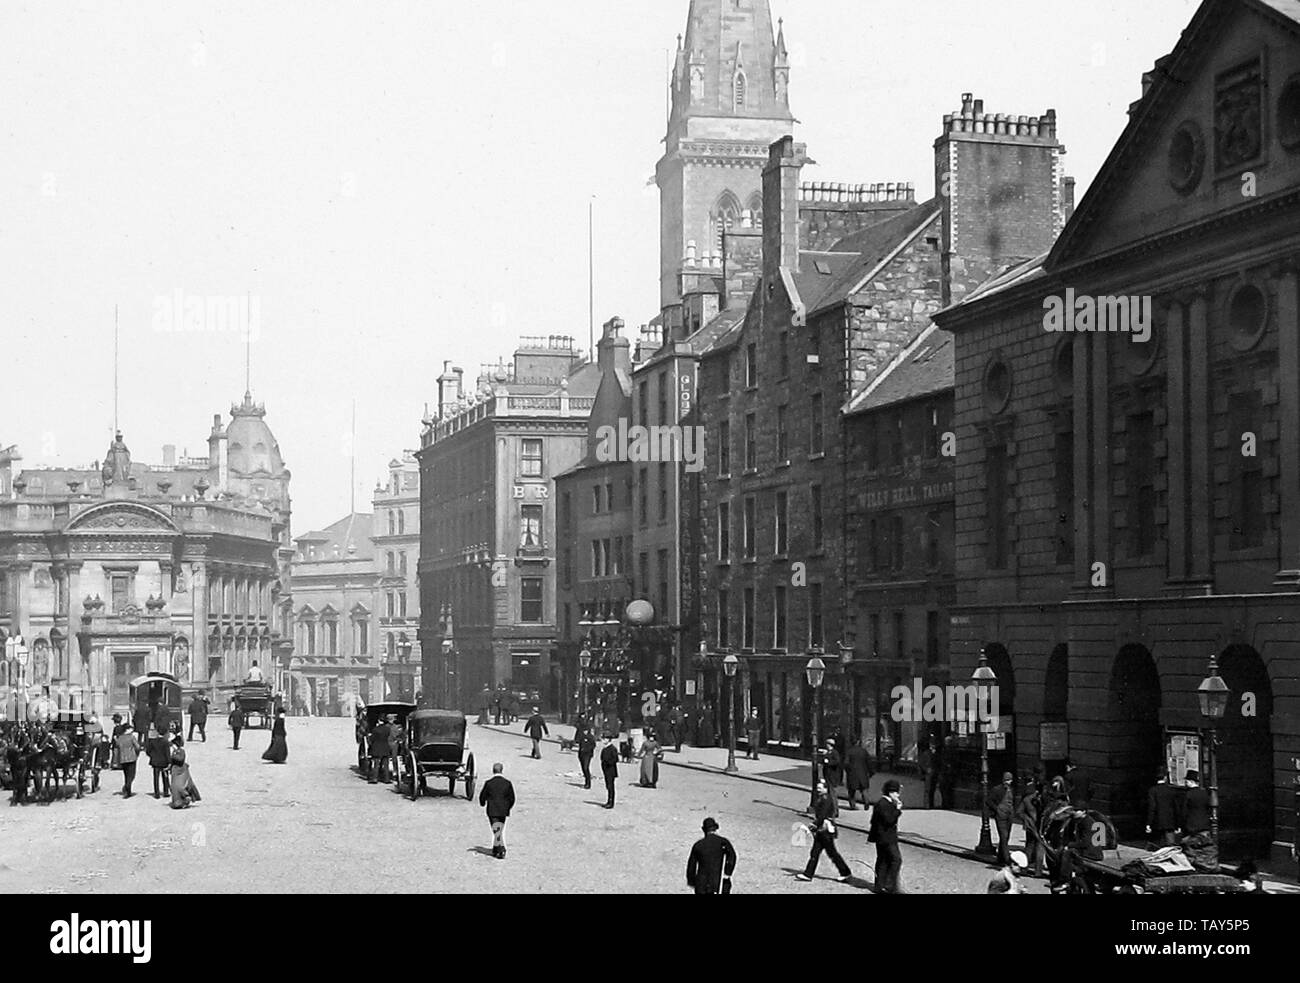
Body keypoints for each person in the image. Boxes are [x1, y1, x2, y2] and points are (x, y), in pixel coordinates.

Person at [796, 781, 852, 883]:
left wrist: (815, 824)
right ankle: (808, 874)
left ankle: (845, 872)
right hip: (822, 829)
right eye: (817, 788)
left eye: (820, 788)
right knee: (816, 852)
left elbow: (823, 814)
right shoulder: (822, 798)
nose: (818, 790)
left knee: (831, 853)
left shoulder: (826, 799)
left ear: (825, 789)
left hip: (825, 830)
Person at [869, 779, 904, 894]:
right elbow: (889, 820)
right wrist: (898, 810)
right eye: (896, 792)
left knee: (883, 861)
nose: (898, 795)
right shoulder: (883, 804)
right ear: (890, 793)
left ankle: (879, 885)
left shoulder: (883, 803)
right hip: (886, 838)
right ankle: (889, 885)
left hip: (882, 837)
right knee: (896, 860)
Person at [686, 817, 737, 895]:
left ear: (703, 830)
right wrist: (728, 872)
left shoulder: (698, 845)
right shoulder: (723, 842)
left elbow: (691, 866)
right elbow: (732, 856)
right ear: (716, 829)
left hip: (701, 883)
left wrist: (691, 881)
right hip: (717, 881)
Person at [478, 762, 516, 860]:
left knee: (496, 830)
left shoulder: (489, 783)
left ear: (493, 771)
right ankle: (496, 849)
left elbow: (482, 796)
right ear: (502, 770)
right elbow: (512, 798)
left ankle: (501, 849)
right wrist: (508, 807)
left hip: (492, 810)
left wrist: (482, 803)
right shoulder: (507, 783)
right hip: (503, 810)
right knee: (498, 830)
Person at [1017, 776, 1046, 877]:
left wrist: (1026, 819)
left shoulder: (1026, 799)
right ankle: (1038, 871)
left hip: (1030, 826)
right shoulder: (1044, 800)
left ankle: (1024, 868)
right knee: (1039, 849)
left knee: (1029, 847)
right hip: (1040, 827)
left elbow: (1019, 812)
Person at [1146, 766, 1181, 847]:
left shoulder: (1153, 790)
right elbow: (1176, 808)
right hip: (1170, 821)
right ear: (1165, 778)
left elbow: (1152, 807)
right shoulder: (1171, 790)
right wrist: (1178, 824)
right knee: (1170, 845)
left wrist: (1149, 823)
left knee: (1159, 845)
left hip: (1157, 821)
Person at [988, 771, 1016, 866]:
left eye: (1010, 780)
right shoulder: (997, 789)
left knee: (1006, 836)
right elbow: (989, 801)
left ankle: (1000, 858)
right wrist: (997, 810)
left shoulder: (1011, 790)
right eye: (1007, 780)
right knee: (1003, 836)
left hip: (1009, 814)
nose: (1009, 782)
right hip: (1001, 815)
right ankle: (1007, 859)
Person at [168, 735, 201, 809]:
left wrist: (172, 756)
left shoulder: (181, 751)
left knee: (180, 786)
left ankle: (185, 798)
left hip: (181, 771)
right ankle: (177, 801)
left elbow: (180, 759)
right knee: (174, 787)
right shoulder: (174, 751)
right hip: (175, 771)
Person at [845, 734, 873, 811]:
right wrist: (871, 772)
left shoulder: (849, 751)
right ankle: (866, 801)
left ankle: (852, 805)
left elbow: (846, 763)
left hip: (852, 774)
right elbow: (869, 763)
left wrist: (848, 771)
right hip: (863, 774)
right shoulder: (863, 751)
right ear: (858, 742)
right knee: (864, 789)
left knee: (851, 791)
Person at [145, 724, 171, 799]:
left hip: (155, 761)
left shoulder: (153, 741)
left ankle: (157, 793)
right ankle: (166, 792)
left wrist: (152, 756)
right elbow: (167, 753)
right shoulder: (165, 742)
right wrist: (169, 762)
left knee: (156, 778)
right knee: (165, 777)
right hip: (164, 761)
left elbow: (148, 751)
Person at [115, 722, 141, 798]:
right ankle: (127, 787)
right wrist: (137, 754)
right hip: (132, 757)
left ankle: (127, 790)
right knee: (132, 775)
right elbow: (138, 747)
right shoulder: (131, 737)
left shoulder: (120, 738)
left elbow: (117, 747)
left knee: (126, 775)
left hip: (123, 758)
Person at [368, 714, 392, 783]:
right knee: (386, 765)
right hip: (385, 747)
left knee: (376, 764)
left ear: (378, 721)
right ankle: (387, 779)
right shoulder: (387, 729)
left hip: (377, 748)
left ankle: (375, 778)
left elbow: (372, 739)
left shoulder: (375, 729)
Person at [938, 735, 958, 808]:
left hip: (947, 773)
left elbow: (946, 761)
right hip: (946, 773)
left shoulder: (948, 751)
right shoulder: (945, 750)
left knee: (946, 789)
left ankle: (946, 804)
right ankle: (946, 803)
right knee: (945, 789)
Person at [599, 735, 619, 809]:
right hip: (606, 770)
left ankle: (611, 802)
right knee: (608, 785)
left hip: (611, 770)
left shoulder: (612, 749)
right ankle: (608, 801)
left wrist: (608, 762)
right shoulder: (604, 748)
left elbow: (615, 759)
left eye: (605, 739)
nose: (603, 740)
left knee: (611, 786)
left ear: (609, 740)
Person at [576, 721, 597, 789]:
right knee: (583, 768)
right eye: (584, 731)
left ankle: (588, 783)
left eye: (586, 730)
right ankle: (586, 781)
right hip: (581, 754)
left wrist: (586, 749)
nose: (584, 732)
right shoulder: (581, 736)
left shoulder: (590, 737)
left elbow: (593, 745)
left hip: (587, 754)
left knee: (586, 767)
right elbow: (578, 742)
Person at [918, 739, 937, 809]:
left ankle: (931, 804)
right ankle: (927, 805)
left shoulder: (936, 753)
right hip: (928, 774)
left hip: (934, 773)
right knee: (928, 789)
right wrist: (926, 769)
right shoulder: (926, 753)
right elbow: (921, 763)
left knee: (932, 789)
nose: (933, 746)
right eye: (932, 745)